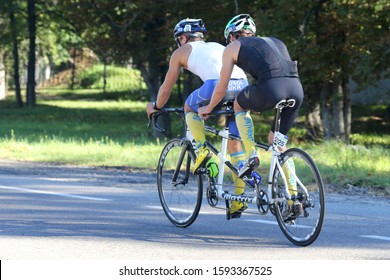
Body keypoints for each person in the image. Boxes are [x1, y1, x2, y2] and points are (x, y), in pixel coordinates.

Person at [198, 14, 304, 214]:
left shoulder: (232, 47)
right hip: (296, 90)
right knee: (278, 144)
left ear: (231, 36)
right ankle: (294, 198)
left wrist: (208, 108)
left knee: (239, 105)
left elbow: (221, 87)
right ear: (252, 33)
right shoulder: (274, 41)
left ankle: (251, 156)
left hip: (271, 89)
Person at [146, 18, 250, 217]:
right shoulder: (217, 46)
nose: (178, 43)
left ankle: (203, 153)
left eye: (178, 39)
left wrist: (156, 107)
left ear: (183, 38)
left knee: (189, 107)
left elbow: (166, 88)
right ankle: (238, 198)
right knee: (235, 144)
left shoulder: (180, 52)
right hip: (243, 87)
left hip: (217, 85)